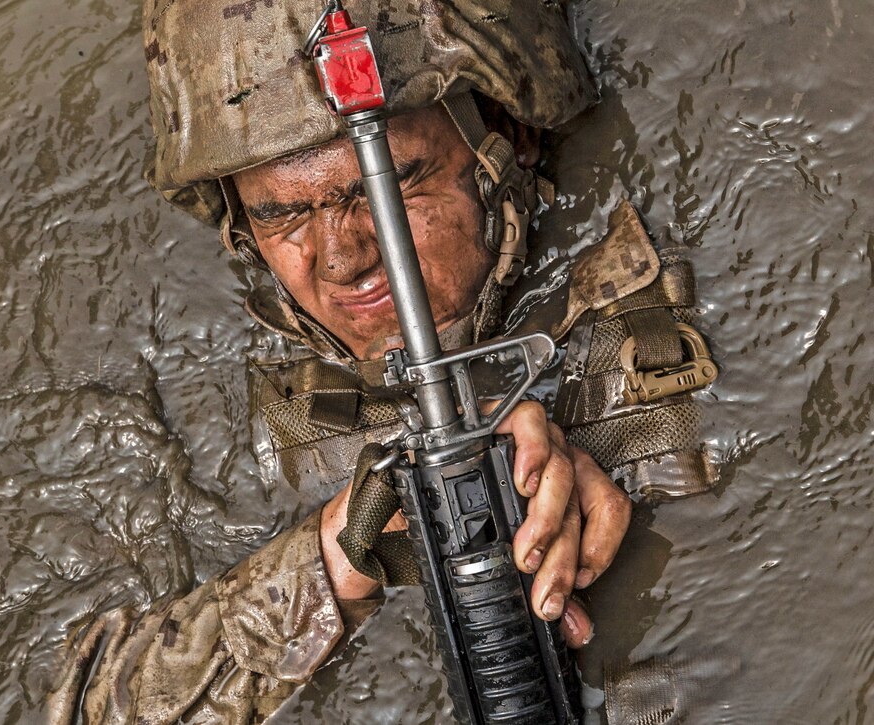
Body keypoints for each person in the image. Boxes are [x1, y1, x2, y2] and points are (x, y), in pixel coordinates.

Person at [47, 0, 717, 722]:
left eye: (388, 184)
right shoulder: (176, 385)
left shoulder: (694, 280)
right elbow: (82, 703)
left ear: (511, 137)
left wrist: (613, 457)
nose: (341, 258)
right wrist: (346, 549)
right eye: (280, 214)